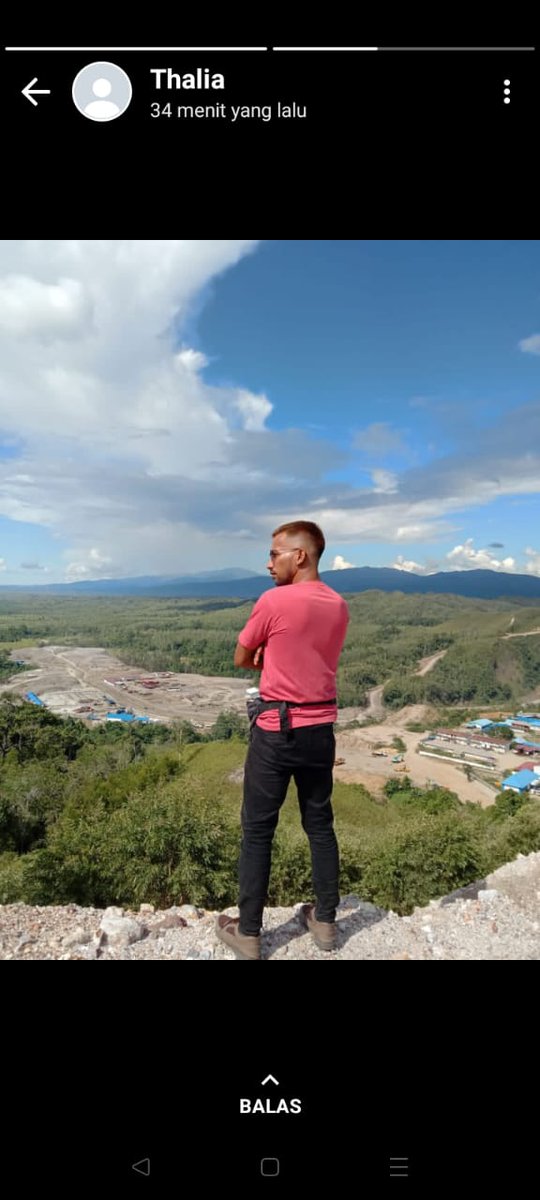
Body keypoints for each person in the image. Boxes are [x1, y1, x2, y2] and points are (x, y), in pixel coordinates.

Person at [215, 520, 350, 960]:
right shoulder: (338, 604)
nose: (268, 561)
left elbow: (241, 658)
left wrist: (268, 661)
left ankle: (249, 933)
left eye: (275, 553)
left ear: (301, 556)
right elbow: (313, 658)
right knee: (319, 824)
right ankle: (326, 922)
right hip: (320, 730)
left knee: (257, 830)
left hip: (277, 730)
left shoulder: (274, 601)